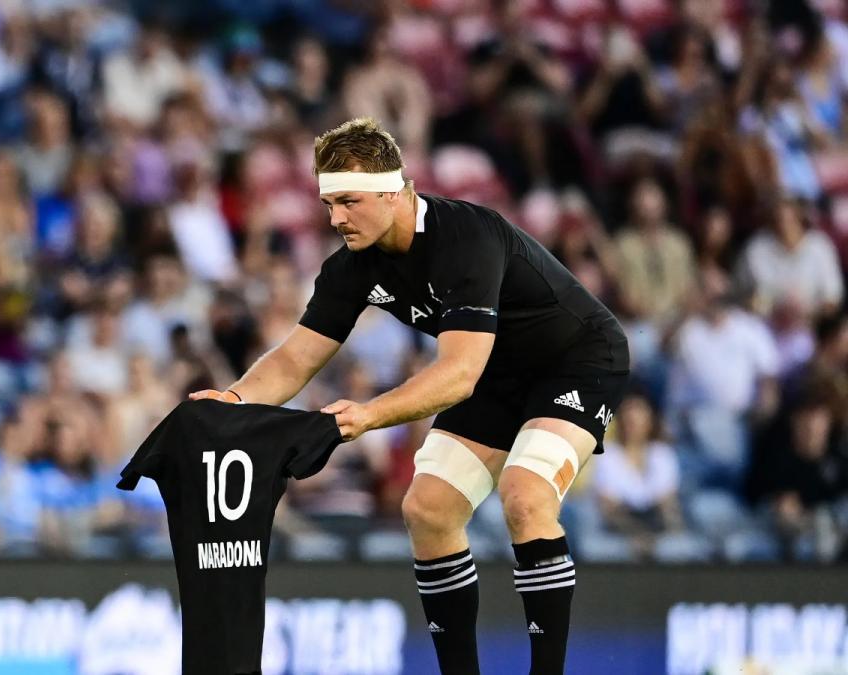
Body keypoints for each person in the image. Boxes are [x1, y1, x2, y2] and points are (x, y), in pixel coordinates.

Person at [189, 118, 630, 675]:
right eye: (328, 203)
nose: (335, 218)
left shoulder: (467, 237)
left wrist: (369, 415)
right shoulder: (351, 266)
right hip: (496, 370)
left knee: (525, 494)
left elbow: (459, 376)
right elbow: (295, 358)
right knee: (427, 509)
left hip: (577, 360)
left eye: (348, 201)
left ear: (395, 192)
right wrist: (232, 400)